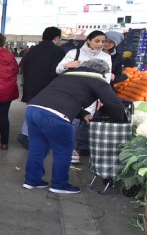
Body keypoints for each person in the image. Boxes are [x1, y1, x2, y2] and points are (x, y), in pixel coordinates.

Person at [23, 59, 125, 194]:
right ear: (102, 72)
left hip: (33, 109)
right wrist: (122, 121)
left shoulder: (67, 75)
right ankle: (59, 185)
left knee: (37, 148)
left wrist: (82, 114)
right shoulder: (97, 79)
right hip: (55, 116)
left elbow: (63, 96)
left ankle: (31, 181)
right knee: (63, 151)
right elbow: (114, 104)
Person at [56, 30, 112, 162]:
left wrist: (103, 95)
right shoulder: (74, 53)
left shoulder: (106, 57)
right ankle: (70, 149)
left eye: (103, 42)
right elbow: (58, 70)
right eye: (97, 41)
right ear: (88, 40)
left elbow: (107, 78)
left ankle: (80, 147)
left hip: (92, 96)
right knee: (72, 121)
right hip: (72, 94)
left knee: (86, 121)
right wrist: (67, 65)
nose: (100, 44)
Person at [17, 27, 66, 149]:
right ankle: (31, 138)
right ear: (56, 38)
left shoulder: (31, 50)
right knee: (45, 114)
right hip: (48, 88)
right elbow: (56, 72)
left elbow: (24, 69)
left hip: (30, 86)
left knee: (31, 111)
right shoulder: (58, 52)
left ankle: (24, 134)